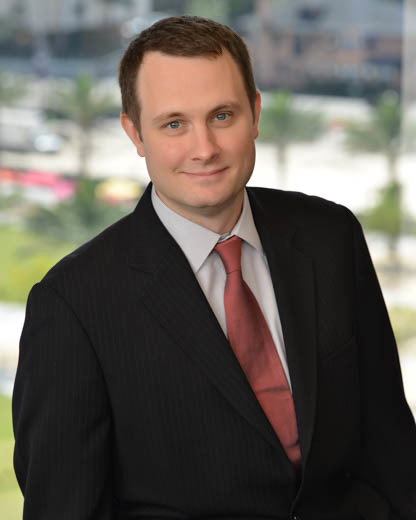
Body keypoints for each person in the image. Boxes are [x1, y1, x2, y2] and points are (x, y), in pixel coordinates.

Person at [13, 15, 416, 520]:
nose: (204, 149)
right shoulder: (73, 304)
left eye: (222, 116)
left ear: (256, 113)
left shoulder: (331, 236)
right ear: (135, 132)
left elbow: (392, 443)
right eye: (174, 124)